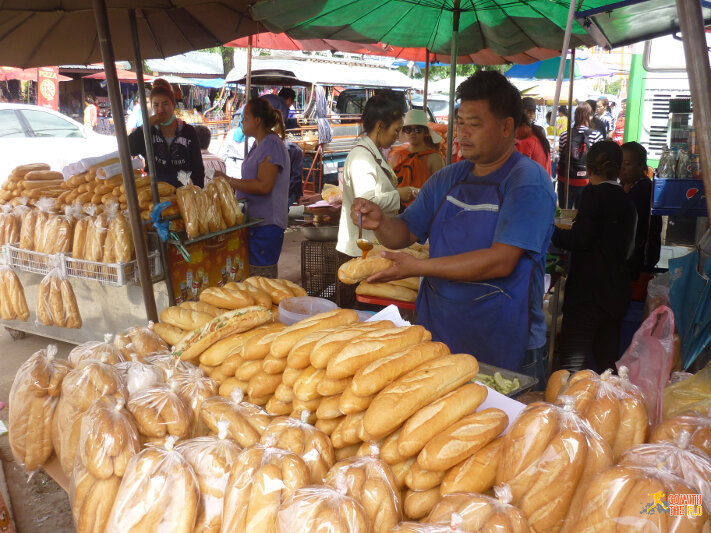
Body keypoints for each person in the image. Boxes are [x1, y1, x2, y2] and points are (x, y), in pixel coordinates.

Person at [351, 71, 556, 381]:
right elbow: (404, 233)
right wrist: (380, 222)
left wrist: (420, 267)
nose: (462, 133)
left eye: (474, 124)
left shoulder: (526, 181)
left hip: (504, 339)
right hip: (441, 333)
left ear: (506, 127)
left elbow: (501, 260)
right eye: (460, 122)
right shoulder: (448, 178)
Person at [553, 141, 637, 372]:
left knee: (572, 365)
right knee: (606, 365)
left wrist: (553, 231)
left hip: (588, 295)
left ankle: (569, 408)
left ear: (588, 169)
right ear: (619, 170)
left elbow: (580, 239)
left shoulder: (593, 195)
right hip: (617, 295)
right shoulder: (627, 201)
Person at [222, 98, 290, 277]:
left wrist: (229, 180)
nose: (242, 122)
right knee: (252, 278)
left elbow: (264, 185)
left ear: (257, 120)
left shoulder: (271, 144)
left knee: (262, 280)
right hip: (255, 223)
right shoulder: (258, 144)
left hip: (266, 225)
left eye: (245, 117)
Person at [128, 79, 204, 187]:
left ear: (173, 105)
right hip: (155, 189)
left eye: (165, 104)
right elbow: (129, 149)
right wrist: (146, 125)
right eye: (156, 105)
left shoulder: (188, 131)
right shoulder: (149, 131)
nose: (160, 109)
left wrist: (198, 191)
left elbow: (197, 167)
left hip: (183, 189)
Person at [620, 142, 662, 276]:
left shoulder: (643, 189)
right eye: (620, 163)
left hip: (639, 258)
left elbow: (628, 223)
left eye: (627, 164)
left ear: (641, 165)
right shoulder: (626, 185)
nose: (622, 168)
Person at [388, 109, 445, 199]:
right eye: (408, 129)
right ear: (404, 132)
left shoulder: (434, 158)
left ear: (425, 132)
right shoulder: (397, 156)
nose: (412, 133)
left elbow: (441, 188)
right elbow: (388, 186)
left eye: (418, 130)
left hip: (425, 208)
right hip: (398, 208)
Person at [557, 102, 604, 209]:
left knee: (564, 213)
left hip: (566, 181)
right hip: (586, 181)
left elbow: (561, 156)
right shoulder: (596, 135)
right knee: (583, 213)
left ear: (575, 116)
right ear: (589, 117)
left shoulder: (564, 135)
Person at [272, 117, 304, 207]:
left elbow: (296, 177)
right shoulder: (269, 148)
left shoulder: (295, 151)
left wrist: (281, 193)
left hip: (290, 190)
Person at [515, 111, 552, 177]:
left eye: (515, 130)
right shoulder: (538, 138)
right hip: (545, 184)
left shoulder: (526, 143)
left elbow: (522, 173)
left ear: (523, 126)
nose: (515, 135)